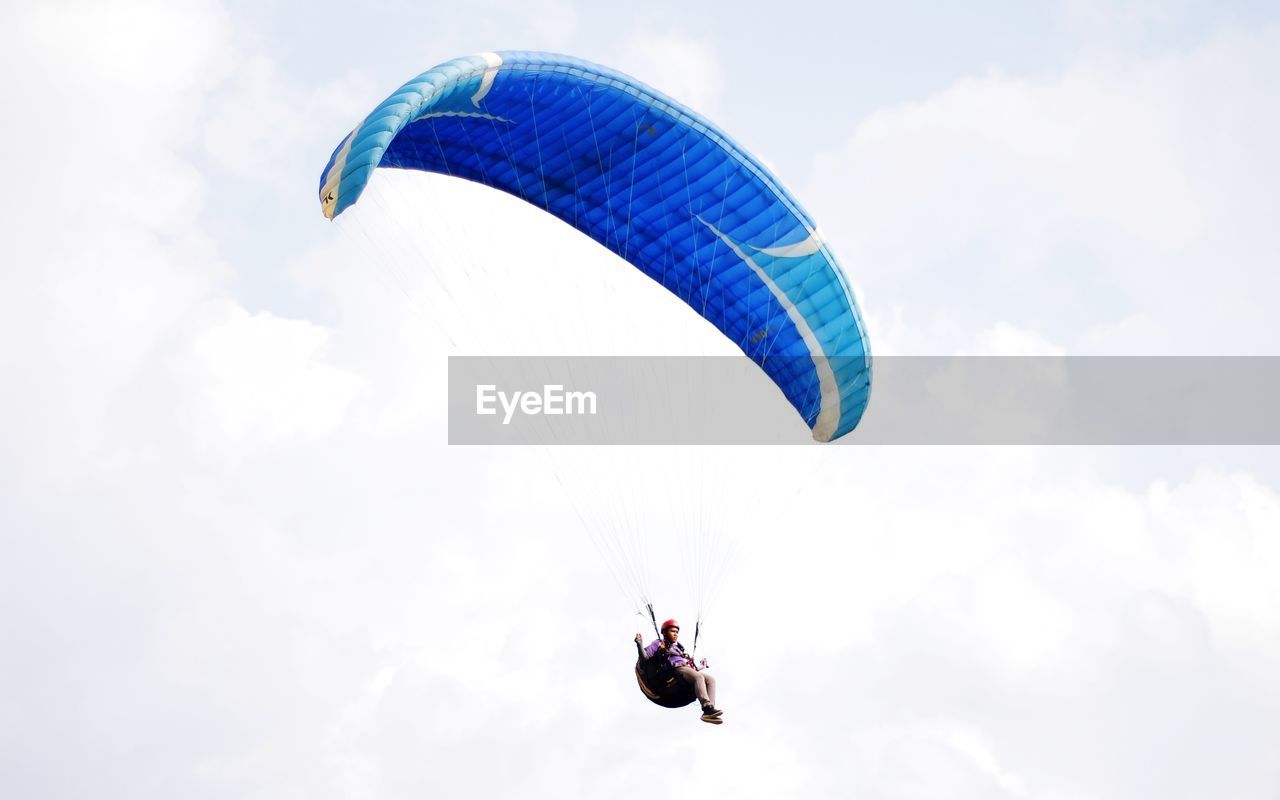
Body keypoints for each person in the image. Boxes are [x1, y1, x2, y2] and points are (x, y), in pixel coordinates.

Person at [635, 619, 722, 723]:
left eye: (676, 632)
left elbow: (690, 669)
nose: (675, 634)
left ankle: (710, 712)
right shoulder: (658, 643)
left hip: (686, 669)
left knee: (711, 680)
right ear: (664, 633)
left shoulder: (678, 648)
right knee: (699, 677)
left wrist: (700, 667)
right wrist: (639, 644)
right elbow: (645, 658)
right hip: (675, 670)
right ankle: (707, 706)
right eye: (672, 631)